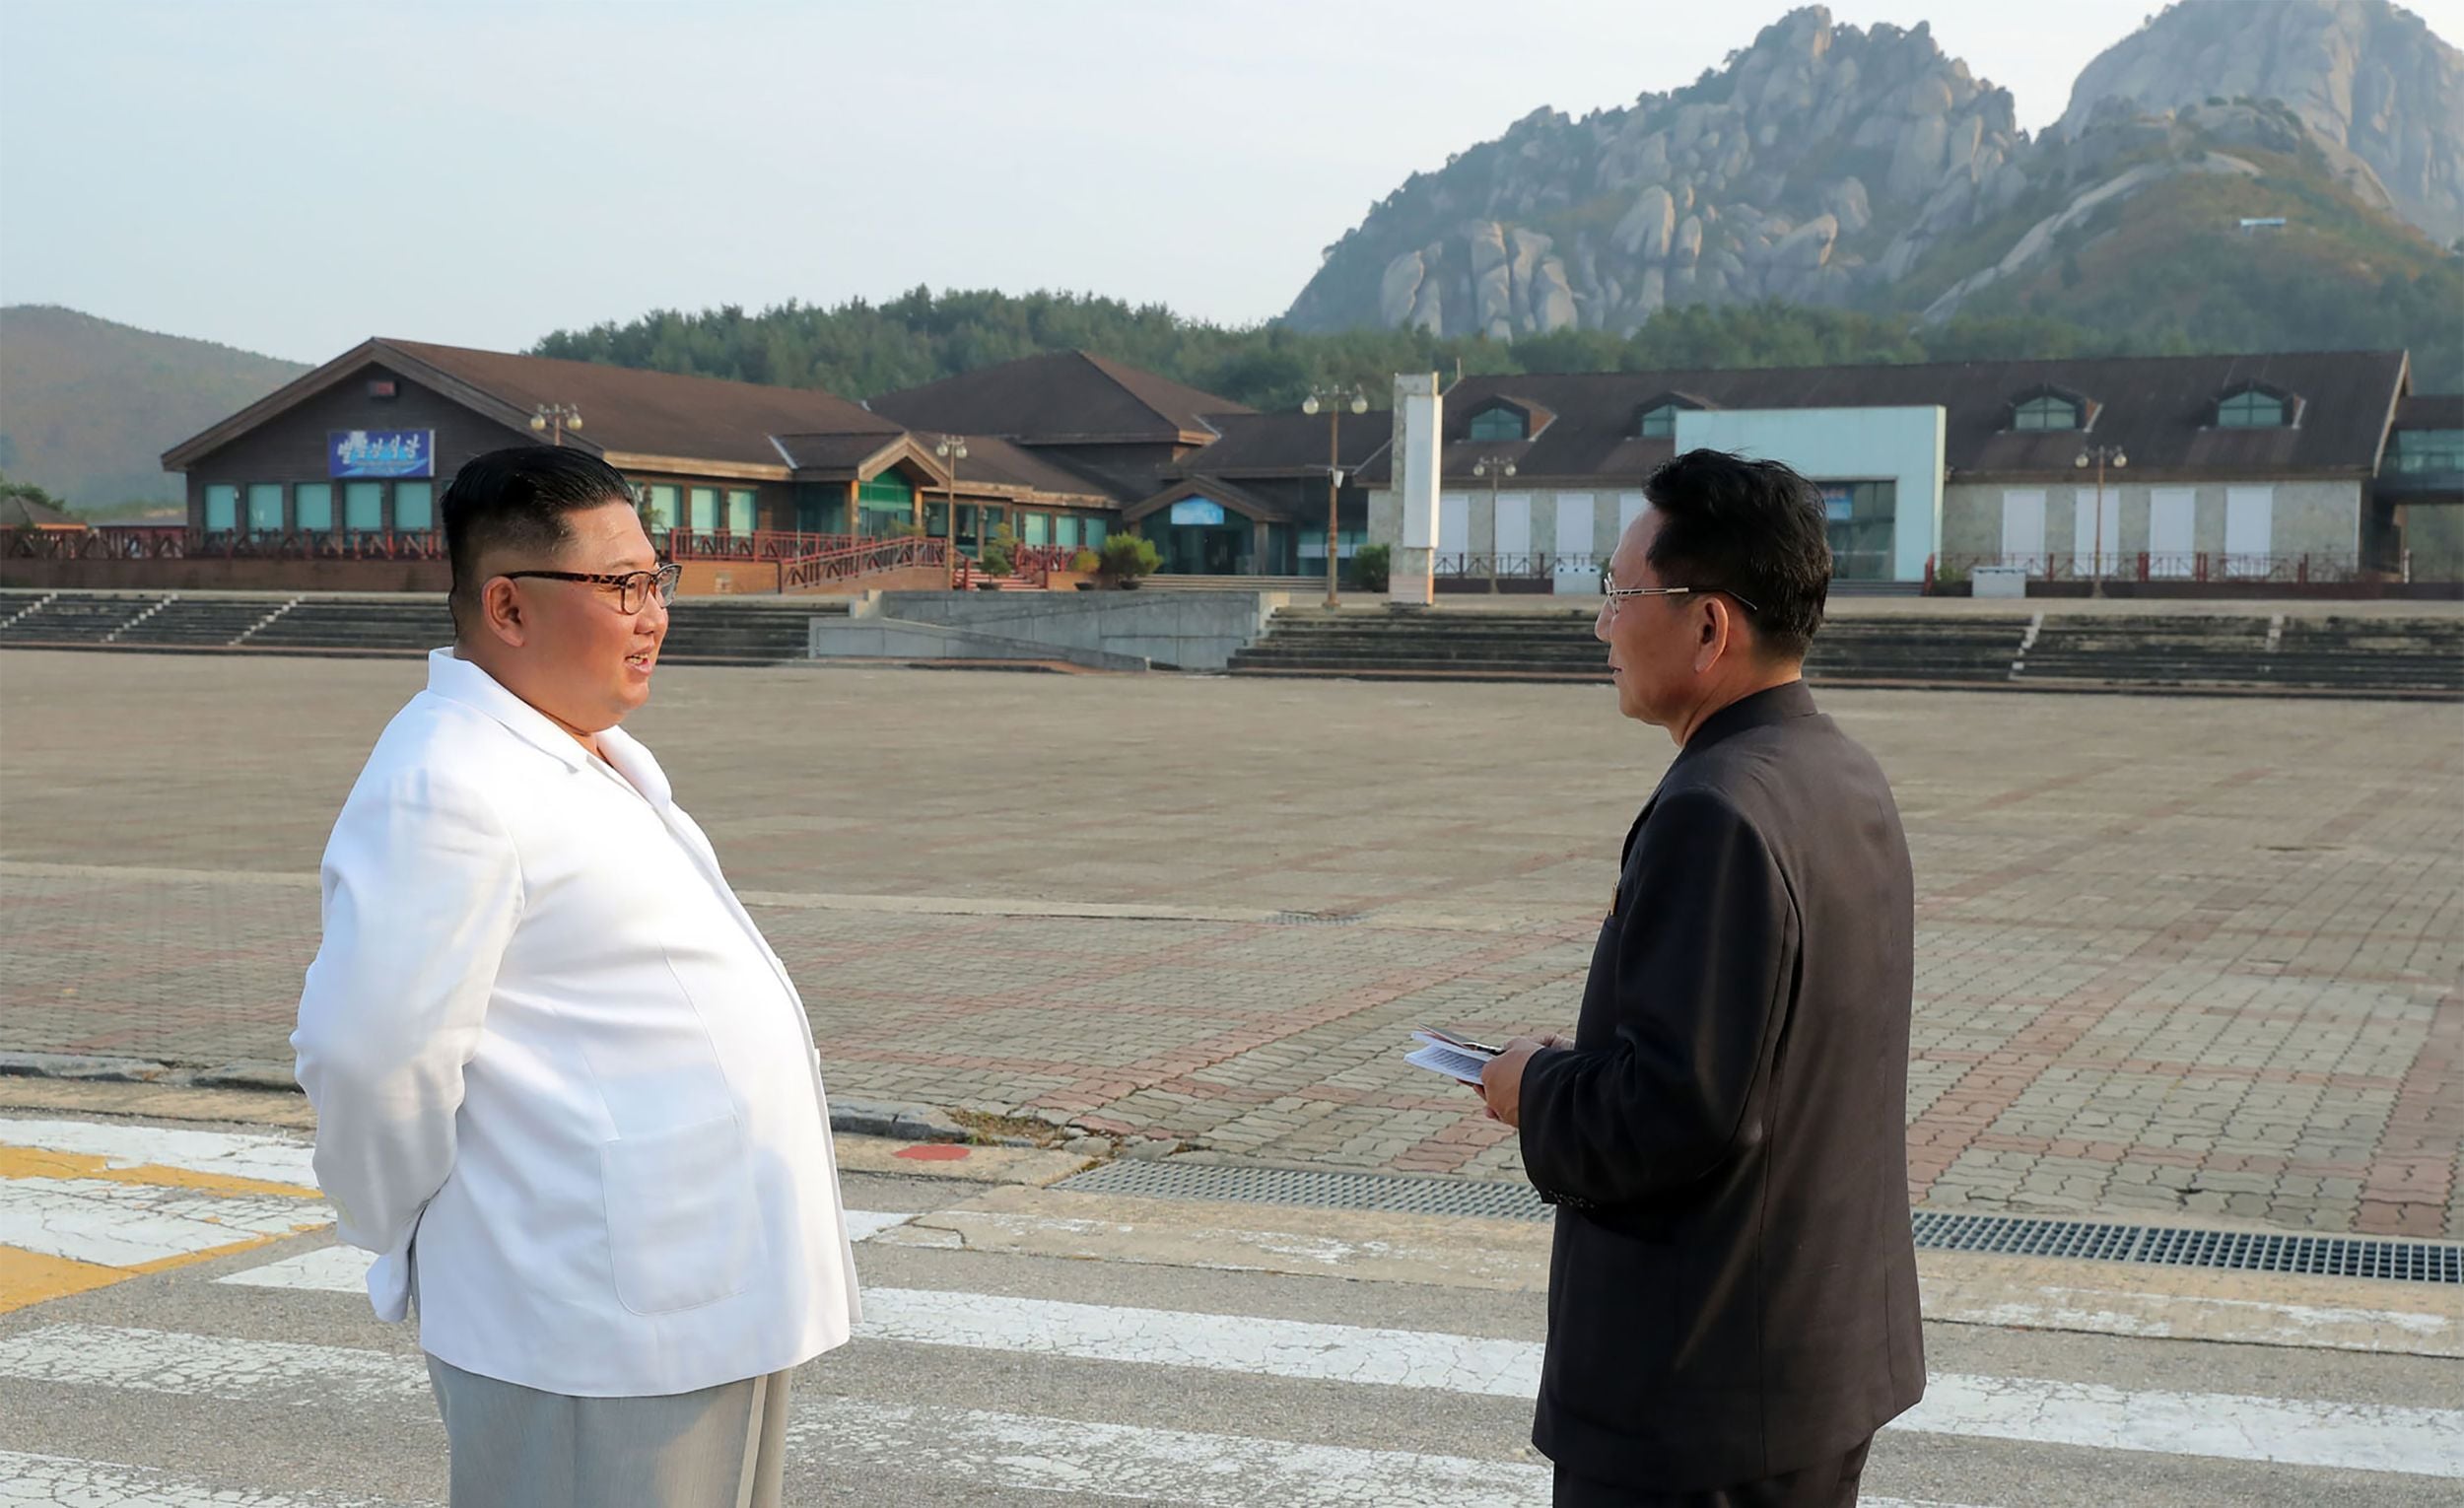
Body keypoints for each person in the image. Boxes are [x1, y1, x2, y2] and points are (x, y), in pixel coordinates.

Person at [293, 446, 859, 1508]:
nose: (653, 615)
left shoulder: (575, 749)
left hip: (698, 1294)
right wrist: (409, 1231)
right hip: (583, 1321)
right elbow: (372, 1060)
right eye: (622, 587)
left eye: (658, 581)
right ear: (508, 606)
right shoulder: (447, 783)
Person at [1476, 448, 1925, 1507]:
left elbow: (1679, 1112)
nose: (1601, 626)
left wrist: (1529, 1088)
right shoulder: (1837, 773)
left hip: (1699, 1396)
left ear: (1709, 625)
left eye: (1620, 595)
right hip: (1813, 1359)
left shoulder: (1713, 812)